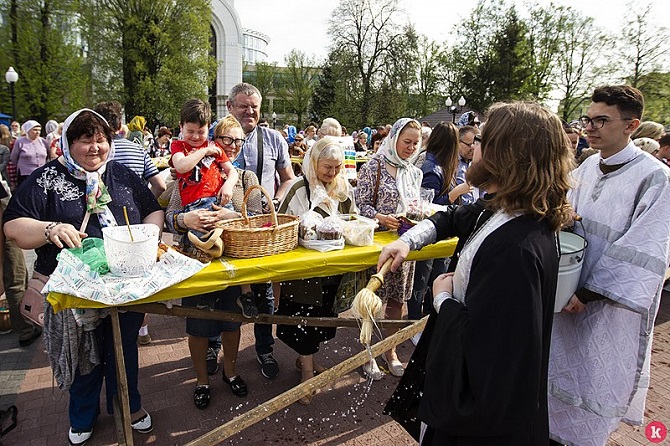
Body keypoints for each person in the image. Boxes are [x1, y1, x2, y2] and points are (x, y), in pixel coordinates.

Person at [381, 101, 573, 445]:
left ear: (507, 153)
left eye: (482, 138)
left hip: (481, 426)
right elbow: (453, 217)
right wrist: (409, 240)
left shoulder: (515, 248)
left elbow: (487, 349)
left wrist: (442, 298)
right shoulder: (508, 208)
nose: (472, 146)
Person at [3, 108, 163, 446]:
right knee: (83, 354)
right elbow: (13, 226)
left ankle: (129, 407)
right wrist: (51, 229)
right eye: (85, 140)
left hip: (125, 282)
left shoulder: (120, 173)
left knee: (123, 347)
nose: (95, 147)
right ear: (67, 142)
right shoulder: (48, 179)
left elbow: (153, 207)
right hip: (74, 289)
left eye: (101, 140)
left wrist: (148, 237)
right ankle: (82, 414)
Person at [548, 86, 670, 446]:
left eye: (602, 120)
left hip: (605, 306)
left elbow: (644, 248)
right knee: (555, 379)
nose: (590, 127)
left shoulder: (654, 178)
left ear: (631, 125)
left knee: (592, 381)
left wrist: (588, 293)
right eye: (588, 119)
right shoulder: (586, 165)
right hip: (566, 293)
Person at [165, 114, 262, 409]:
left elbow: (257, 222)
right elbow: (171, 217)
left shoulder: (245, 178)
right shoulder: (191, 170)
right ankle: (201, 381)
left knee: (232, 325)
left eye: (238, 140)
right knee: (197, 325)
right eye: (225, 140)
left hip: (232, 264)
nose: (232, 146)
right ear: (213, 141)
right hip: (196, 264)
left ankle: (231, 372)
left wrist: (231, 216)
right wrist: (186, 218)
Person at [276, 136, 357, 404]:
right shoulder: (299, 188)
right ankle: (307, 375)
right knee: (304, 319)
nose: (332, 173)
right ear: (314, 162)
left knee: (321, 319)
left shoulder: (342, 188)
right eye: (327, 167)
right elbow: (284, 228)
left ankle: (305, 362)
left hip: (333, 269)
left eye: (337, 167)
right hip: (304, 273)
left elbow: (352, 219)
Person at [226, 82, 295, 380]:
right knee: (223, 296)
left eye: (254, 106)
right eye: (243, 105)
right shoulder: (215, 137)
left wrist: (277, 200)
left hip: (261, 231)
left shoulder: (274, 139)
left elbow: (289, 178)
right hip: (226, 232)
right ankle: (215, 350)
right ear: (230, 107)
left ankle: (264, 347)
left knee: (265, 297)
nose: (250, 111)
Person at [355, 118, 423, 380]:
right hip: (377, 244)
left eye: (415, 143)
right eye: (407, 142)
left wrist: (415, 214)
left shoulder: (412, 170)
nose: (410, 147)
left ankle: (390, 351)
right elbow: (359, 204)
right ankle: (368, 352)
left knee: (397, 301)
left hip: (405, 243)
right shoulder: (375, 165)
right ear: (394, 138)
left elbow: (416, 203)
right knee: (372, 301)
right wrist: (382, 217)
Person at [407, 122, 460, 325]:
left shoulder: (440, 165)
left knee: (434, 279)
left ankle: (427, 321)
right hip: (430, 232)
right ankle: (413, 324)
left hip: (440, 234)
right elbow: (426, 207)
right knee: (421, 280)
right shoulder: (432, 168)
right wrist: (455, 194)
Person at [171, 99, 238, 251]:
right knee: (199, 233)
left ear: (209, 129)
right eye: (190, 131)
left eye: (201, 132)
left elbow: (232, 171)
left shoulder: (215, 148)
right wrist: (204, 151)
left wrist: (228, 185)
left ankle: (217, 242)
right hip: (196, 205)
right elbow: (181, 166)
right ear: (181, 127)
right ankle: (211, 245)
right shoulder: (179, 146)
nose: (195, 137)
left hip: (220, 201)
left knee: (232, 233)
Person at [94, 102, 166, 201]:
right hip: (133, 211)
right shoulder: (139, 150)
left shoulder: (92, 153)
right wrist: (144, 206)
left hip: (101, 211)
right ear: (119, 125)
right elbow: (160, 186)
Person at [10, 120, 48, 185]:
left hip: (41, 172)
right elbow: (13, 158)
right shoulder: (20, 141)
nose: (37, 132)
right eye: (35, 130)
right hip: (25, 174)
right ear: (28, 130)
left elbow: (47, 156)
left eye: (39, 130)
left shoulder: (43, 141)